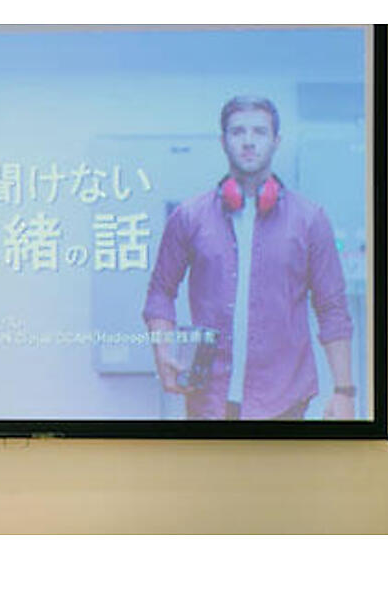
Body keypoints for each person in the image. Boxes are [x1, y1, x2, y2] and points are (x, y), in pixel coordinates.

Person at [143, 95, 355, 420]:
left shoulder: (310, 219)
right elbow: (160, 291)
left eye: (259, 132)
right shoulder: (189, 216)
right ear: (223, 141)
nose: (248, 141)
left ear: (276, 141)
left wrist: (343, 391)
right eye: (238, 131)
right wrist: (162, 349)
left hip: (284, 401)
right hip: (206, 399)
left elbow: (332, 308)